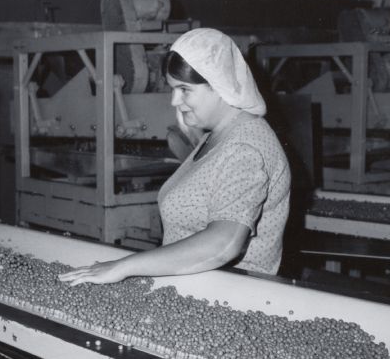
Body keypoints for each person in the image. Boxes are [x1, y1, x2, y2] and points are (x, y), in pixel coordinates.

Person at [60, 28, 290, 286]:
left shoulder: (244, 146)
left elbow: (225, 243)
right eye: (172, 89)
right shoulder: (217, 135)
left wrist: (124, 267)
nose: (174, 101)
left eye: (184, 89)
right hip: (196, 290)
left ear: (219, 85)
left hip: (228, 298)